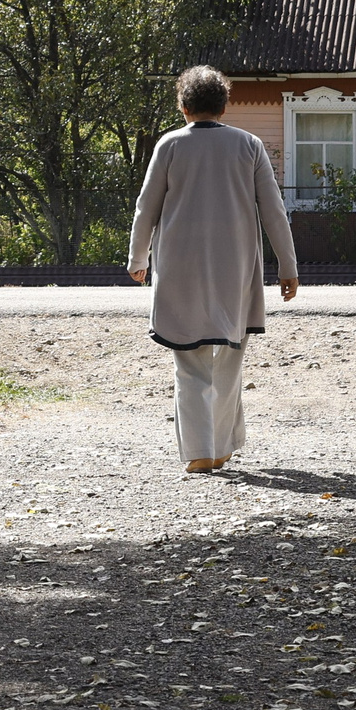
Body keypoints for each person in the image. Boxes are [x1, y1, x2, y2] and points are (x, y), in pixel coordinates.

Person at [126, 64, 299, 473]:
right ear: (224, 106)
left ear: (183, 107)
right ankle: (221, 447)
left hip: (179, 268)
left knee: (189, 363)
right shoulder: (249, 145)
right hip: (235, 270)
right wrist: (287, 266)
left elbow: (146, 207)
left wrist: (138, 258)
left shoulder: (169, 145)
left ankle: (202, 451)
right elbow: (274, 211)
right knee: (229, 361)